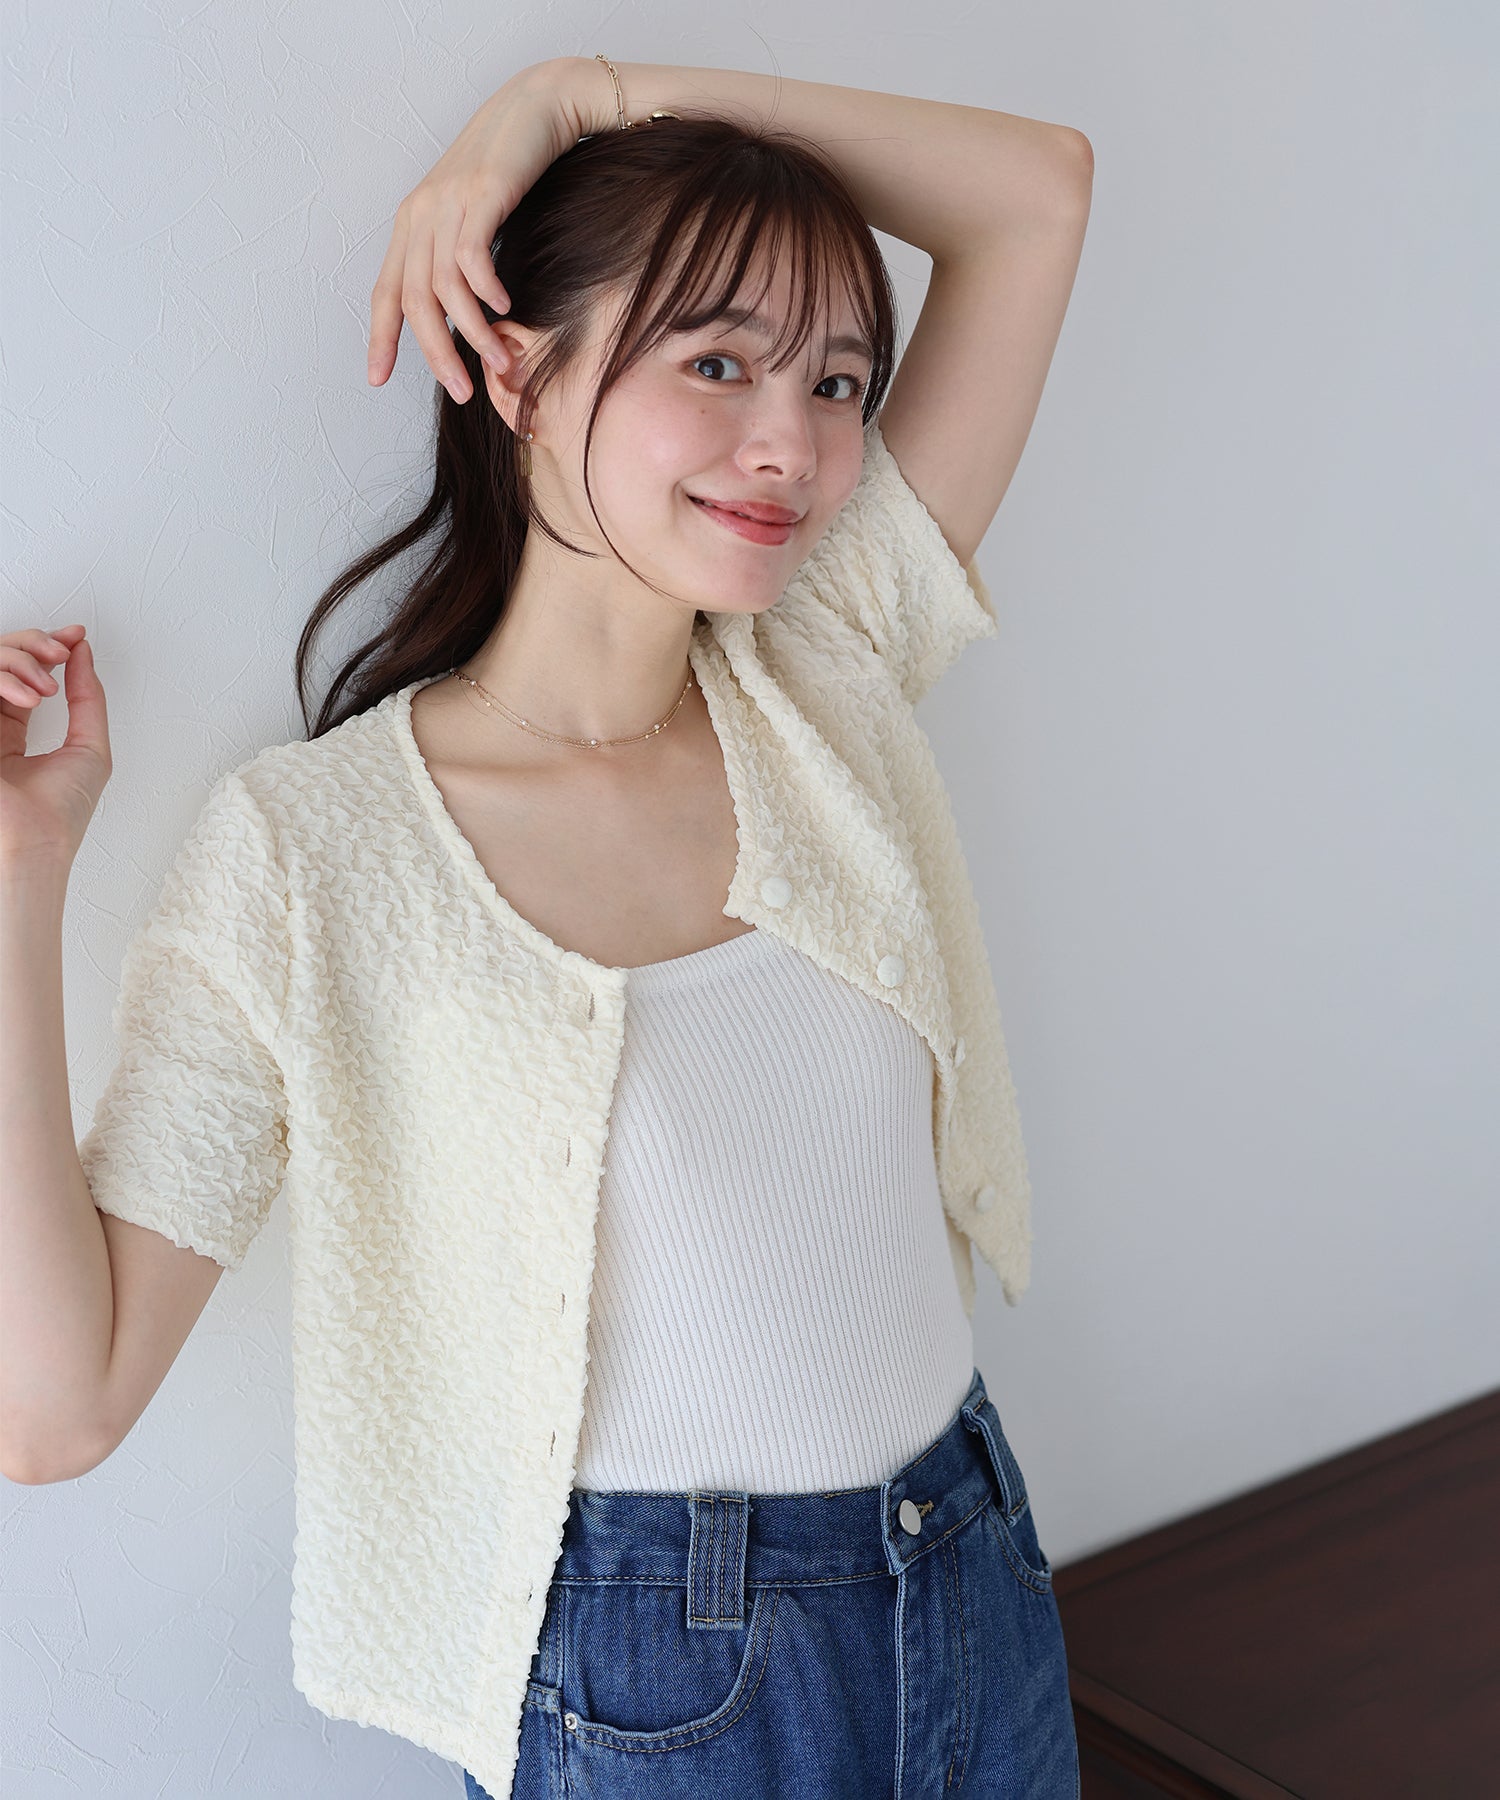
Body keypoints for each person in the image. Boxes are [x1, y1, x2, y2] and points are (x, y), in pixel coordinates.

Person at [1, 52, 1093, 1800]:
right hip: (651, 1680)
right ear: (513, 368)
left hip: (967, 1575)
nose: (795, 444)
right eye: (716, 361)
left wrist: (575, 97)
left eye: (836, 380)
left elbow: (1038, 193)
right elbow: (55, 1412)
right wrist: (16, 880)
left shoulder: (823, 673)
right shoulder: (315, 854)